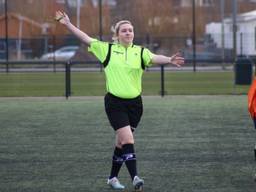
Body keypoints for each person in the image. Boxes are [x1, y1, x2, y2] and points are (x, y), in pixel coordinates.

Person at [55, 10, 184, 191]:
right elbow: (85, 38)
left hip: (135, 105)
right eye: (124, 30)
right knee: (128, 139)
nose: (128, 33)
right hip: (115, 104)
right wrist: (68, 24)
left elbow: (154, 58)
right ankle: (135, 178)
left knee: (121, 143)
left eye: (130, 30)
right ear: (117, 35)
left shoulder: (140, 52)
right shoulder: (107, 49)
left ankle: (112, 178)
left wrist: (169, 59)